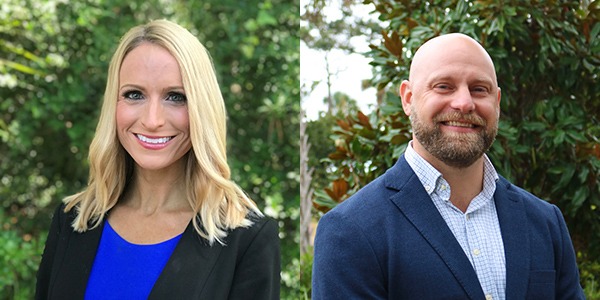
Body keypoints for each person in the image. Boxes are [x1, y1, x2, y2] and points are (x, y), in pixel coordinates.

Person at [312, 33, 584, 299]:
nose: (464, 103)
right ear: (408, 99)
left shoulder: (545, 221)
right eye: (444, 86)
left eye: (479, 89)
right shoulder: (349, 231)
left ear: (497, 102)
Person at [35, 19, 280, 300]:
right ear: (112, 105)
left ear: (202, 108)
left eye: (175, 97)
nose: (152, 121)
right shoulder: (72, 221)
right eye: (134, 94)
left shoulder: (246, 240)